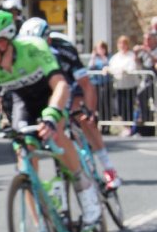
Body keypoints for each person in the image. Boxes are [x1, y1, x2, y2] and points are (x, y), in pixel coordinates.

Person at [0, 10, 101, 232]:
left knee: (55, 131)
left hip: (50, 94)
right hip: (20, 101)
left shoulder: (33, 48)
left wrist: (51, 115)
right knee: (25, 158)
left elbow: (60, 86)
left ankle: (86, 189)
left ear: (3, 43)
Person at [18, 17, 121, 189]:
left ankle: (108, 167)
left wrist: (89, 112)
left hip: (69, 82)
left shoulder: (65, 49)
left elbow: (86, 85)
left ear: (48, 40)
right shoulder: (24, 52)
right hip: (47, 86)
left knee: (83, 119)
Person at [108, 35, 139, 137]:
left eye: (124, 44)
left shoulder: (131, 56)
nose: (122, 46)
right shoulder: (115, 57)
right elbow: (112, 68)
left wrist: (123, 70)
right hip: (119, 85)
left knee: (129, 106)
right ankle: (125, 126)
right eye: (120, 43)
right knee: (121, 107)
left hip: (129, 85)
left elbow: (132, 68)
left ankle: (130, 127)